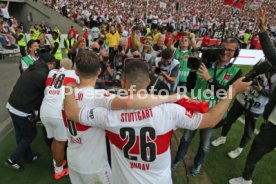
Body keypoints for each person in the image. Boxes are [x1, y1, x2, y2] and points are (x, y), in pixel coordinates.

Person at [64, 59, 250, 184]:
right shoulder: (169, 111)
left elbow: (72, 113)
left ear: (123, 83)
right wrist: (232, 90)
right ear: (149, 83)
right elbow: (211, 120)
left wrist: (69, 87)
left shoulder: (106, 114)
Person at [62, 50, 189, 184]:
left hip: (73, 157)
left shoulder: (67, 96)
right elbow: (130, 102)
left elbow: (70, 111)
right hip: (94, 164)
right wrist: (170, 98)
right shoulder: (99, 96)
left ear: (76, 71)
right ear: (99, 71)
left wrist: (68, 88)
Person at [172, 37, 243, 175]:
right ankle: (177, 161)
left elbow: (226, 94)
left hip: (213, 116)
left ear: (236, 53)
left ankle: (197, 164)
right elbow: (191, 86)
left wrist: (209, 79)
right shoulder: (206, 64)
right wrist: (193, 71)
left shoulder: (236, 72)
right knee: (186, 139)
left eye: (230, 50)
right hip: (194, 111)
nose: (225, 52)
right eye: (223, 48)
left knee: (205, 144)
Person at [229, 8, 276, 184]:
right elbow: (272, 54)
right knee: (257, 147)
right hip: (273, 121)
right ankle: (246, 179)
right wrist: (263, 30)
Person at [5, 53, 56, 170]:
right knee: (30, 134)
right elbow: (44, 96)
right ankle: (13, 159)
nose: (53, 67)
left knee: (20, 134)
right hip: (21, 108)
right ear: (49, 64)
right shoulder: (43, 75)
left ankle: (27, 157)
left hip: (12, 104)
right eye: (53, 64)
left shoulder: (33, 68)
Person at [212, 71, 271, 159]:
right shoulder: (262, 65)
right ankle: (222, 137)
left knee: (248, 130)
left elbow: (273, 94)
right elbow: (245, 77)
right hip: (241, 99)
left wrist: (261, 90)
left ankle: (240, 149)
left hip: (255, 107)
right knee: (228, 120)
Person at [40, 58, 79, 180]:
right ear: (71, 67)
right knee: (61, 143)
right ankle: (58, 170)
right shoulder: (74, 74)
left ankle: (58, 162)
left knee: (55, 141)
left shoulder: (51, 73)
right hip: (58, 112)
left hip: (44, 110)